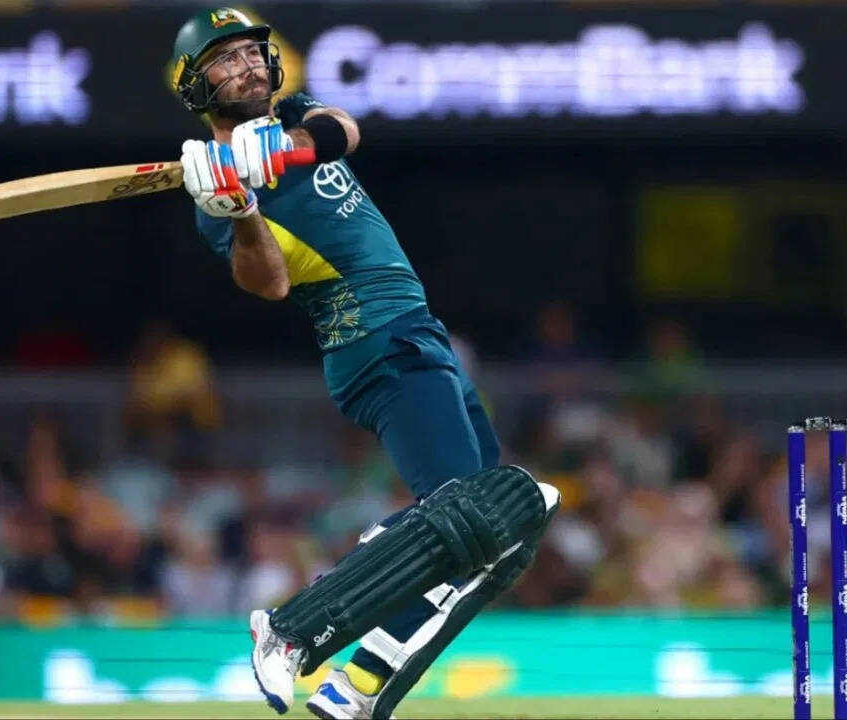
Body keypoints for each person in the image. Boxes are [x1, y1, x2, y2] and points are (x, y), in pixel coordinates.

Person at [169, 8, 559, 718]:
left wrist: (281, 150)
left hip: (420, 334)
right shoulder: (212, 202)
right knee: (478, 516)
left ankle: (359, 686)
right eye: (226, 58)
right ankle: (290, 631)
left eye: (252, 51)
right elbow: (269, 283)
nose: (248, 65)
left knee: (499, 532)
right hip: (375, 342)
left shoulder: (295, 115)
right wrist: (241, 208)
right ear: (196, 85)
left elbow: (345, 130)